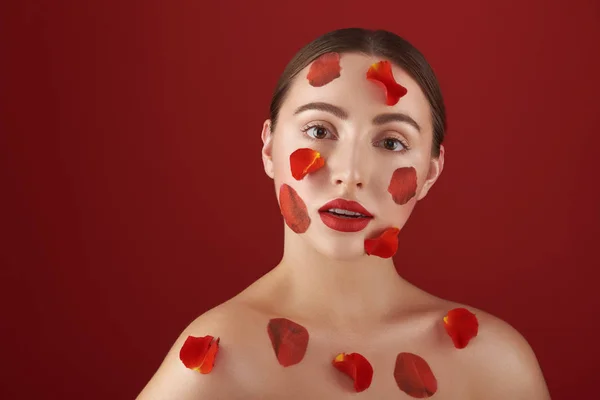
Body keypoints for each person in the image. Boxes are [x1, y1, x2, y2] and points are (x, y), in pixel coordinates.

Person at [137, 28, 551, 399]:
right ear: (268, 147)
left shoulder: (495, 365)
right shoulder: (217, 361)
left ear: (431, 171)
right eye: (320, 131)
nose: (351, 175)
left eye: (391, 142)